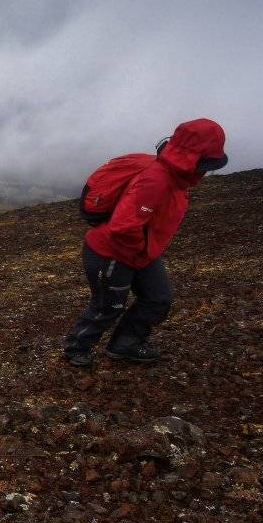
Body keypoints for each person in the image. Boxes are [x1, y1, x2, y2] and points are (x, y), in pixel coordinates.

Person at [63, 118, 228, 366]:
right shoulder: (156, 180)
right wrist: (139, 251)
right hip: (111, 253)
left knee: (158, 299)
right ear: (192, 160)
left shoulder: (177, 177)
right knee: (108, 306)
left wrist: (143, 252)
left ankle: (125, 344)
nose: (205, 172)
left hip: (140, 253)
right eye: (205, 165)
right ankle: (76, 347)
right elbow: (123, 226)